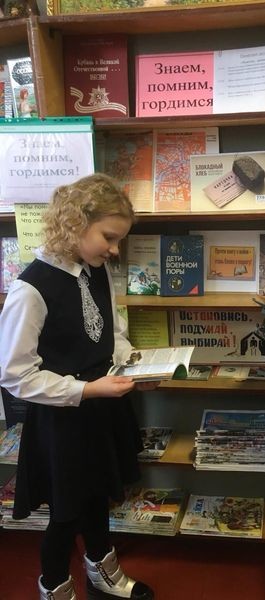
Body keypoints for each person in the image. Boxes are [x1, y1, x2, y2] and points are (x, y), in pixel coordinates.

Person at [0, 174, 157, 600]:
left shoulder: (97, 269)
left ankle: (102, 572)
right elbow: (15, 374)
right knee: (66, 514)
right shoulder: (30, 289)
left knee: (98, 496)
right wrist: (87, 391)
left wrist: (134, 365)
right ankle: (54, 586)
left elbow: (111, 333)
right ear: (75, 224)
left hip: (103, 410)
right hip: (63, 420)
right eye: (109, 237)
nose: (115, 249)